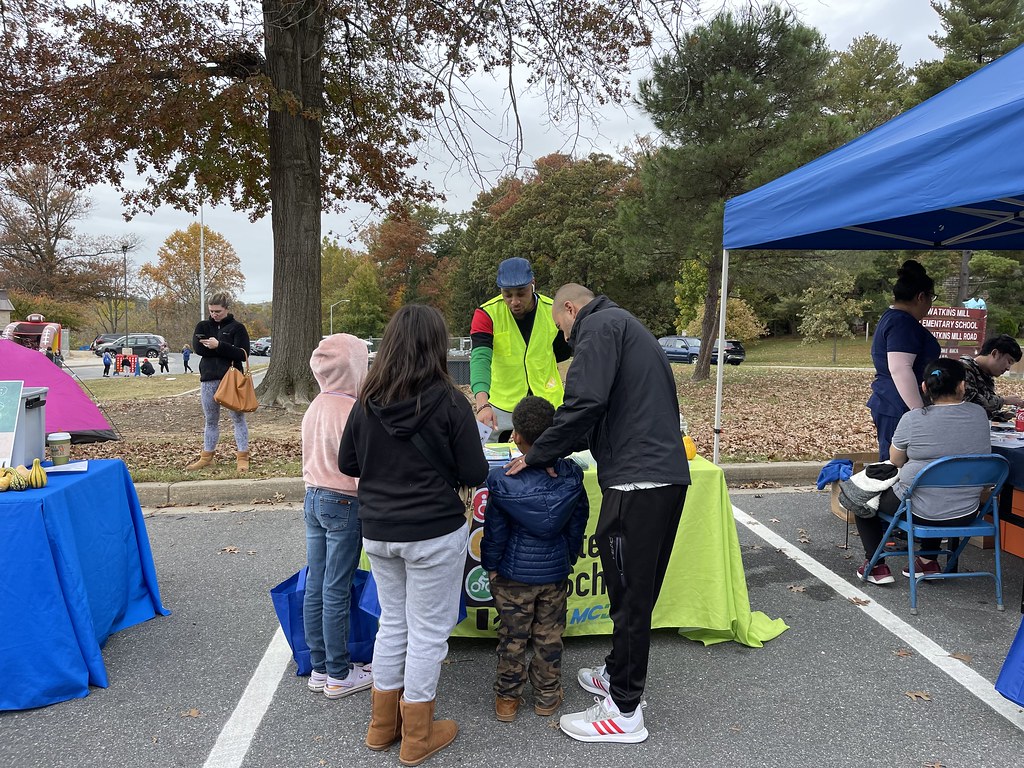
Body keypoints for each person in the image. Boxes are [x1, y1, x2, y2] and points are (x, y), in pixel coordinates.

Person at [505, 283, 690, 744]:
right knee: (634, 594)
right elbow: (611, 411)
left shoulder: (597, 327)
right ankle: (617, 673)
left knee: (629, 598)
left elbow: (583, 404)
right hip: (661, 475)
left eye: (562, 327)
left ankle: (624, 711)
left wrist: (537, 454)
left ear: (570, 308)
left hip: (636, 481)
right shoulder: (625, 325)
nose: (565, 338)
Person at [339, 304, 488, 765]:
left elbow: (348, 464)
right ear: (437, 346)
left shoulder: (367, 401)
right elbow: (475, 470)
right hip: (433, 532)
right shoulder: (449, 401)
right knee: (427, 632)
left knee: (394, 625)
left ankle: (382, 726)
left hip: (379, 530)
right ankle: (417, 736)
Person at [481, 396, 589, 723]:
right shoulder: (570, 477)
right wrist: (567, 558)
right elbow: (576, 524)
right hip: (553, 572)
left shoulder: (503, 480)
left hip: (512, 575)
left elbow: (495, 532)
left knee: (513, 638)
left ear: (516, 436)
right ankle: (546, 695)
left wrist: (492, 566)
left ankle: (507, 700)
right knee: (549, 636)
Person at [856, 357, 991, 584]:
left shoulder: (912, 419)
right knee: (937, 489)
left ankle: (876, 565)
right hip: (967, 511)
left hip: (918, 510)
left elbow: (895, 460)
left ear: (924, 387)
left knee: (862, 499)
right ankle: (928, 561)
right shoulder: (979, 415)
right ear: (962, 386)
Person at [302, 334, 373, 699]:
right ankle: (340, 673)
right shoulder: (352, 410)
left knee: (317, 583)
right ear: (354, 368)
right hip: (345, 502)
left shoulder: (315, 405)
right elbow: (362, 466)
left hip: (312, 497)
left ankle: (319, 667)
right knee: (336, 587)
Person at [471, 257, 572, 440]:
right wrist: (482, 404)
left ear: (533, 283)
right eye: (507, 294)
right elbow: (480, 359)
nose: (515, 301)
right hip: (500, 404)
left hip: (547, 402)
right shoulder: (486, 314)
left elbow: (566, 351)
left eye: (521, 293)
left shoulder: (552, 310)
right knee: (487, 457)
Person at [867, 260, 941, 460]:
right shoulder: (902, 323)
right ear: (920, 297)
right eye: (931, 297)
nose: (931, 304)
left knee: (897, 465)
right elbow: (900, 368)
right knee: (896, 468)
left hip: (893, 402)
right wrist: (918, 412)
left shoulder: (893, 318)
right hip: (899, 406)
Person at [187, 291, 252, 472]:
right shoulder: (203, 325)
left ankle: (242, 457)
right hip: (208, 379)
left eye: (218, 311)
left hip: (231, 379)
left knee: (238, 418)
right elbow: (199, 348)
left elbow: (242, 353)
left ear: (226, 309)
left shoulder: (237, 328)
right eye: (212, 311)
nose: (214, 315)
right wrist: (225, 349)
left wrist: (218, 345)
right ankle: (207, 457)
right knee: (211, 420)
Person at [960, 334, 1024, 419]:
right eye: (1009, 361)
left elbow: (984, 412)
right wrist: (1004, 400)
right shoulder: (962, 369)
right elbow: (971, 403)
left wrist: (1006, 414)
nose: (1008, 368)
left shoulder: (986, 375)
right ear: (995, 354)